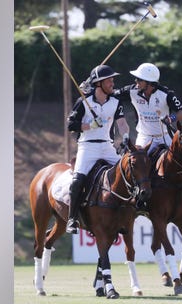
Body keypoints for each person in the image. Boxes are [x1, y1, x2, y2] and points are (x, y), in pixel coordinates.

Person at [114, 62, 182, 208]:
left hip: (165, 135)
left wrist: (171, 119)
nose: (136, 82)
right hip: (144, 136)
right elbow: (111, 94)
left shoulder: (166, 94)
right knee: (135, 162)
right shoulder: (131, 91)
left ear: (149, 83)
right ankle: (134, 198)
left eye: (139, 79)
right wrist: (90, 87)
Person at [65, 65, 130, 234]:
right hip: (88, 147)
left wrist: (125, 137)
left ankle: (127, 213)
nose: (112, 83)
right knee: (77, 180)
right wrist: (89, 125)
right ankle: (72, 219)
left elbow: (122, 123)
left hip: (107, 146)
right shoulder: (84, 101)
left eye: (112, 80)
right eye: (109, 80)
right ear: (99, 83)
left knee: (128, 172)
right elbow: (71, 125)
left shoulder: (116, 102)